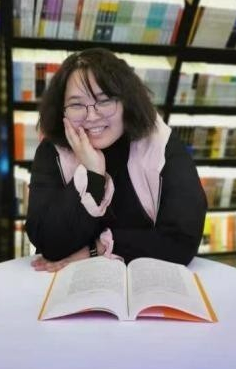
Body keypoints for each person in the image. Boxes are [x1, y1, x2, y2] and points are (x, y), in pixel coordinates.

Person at [26, 48, 207, 272]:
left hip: (145, 280)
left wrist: (98, 248)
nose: (91, 116)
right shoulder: (52, 151)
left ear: (126, 102)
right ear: (62, 110)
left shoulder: (161, 145)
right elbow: (49, 244)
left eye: (104, 101)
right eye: (76, 105)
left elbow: (182, 241)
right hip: (69, 281)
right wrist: (92, 173)